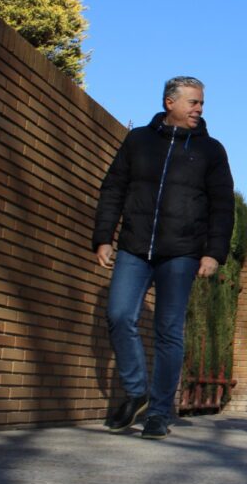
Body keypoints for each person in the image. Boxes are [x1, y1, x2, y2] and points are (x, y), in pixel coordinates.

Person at [94, 76, 234, 440]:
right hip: (134, 246)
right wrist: (103, 238)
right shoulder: (138, 141)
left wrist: (214, 253)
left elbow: (222, 206)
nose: (199, 109)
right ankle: (136, 391)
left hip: (182, 253)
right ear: (170, 102)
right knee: (119, 315)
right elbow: (113, 189)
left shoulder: (211, 150)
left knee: (169, 330)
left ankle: (158, 412)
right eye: (193, 102)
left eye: (201, 103)